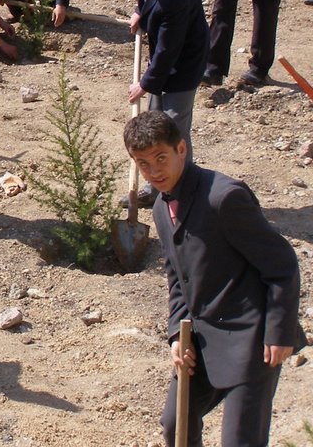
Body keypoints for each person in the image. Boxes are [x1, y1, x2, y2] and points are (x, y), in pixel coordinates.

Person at [122, 111, 306, 447]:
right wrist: (178, 332)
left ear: (182, 149)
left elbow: (282, 265)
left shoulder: (223, 197)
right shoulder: (162, 208)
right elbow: (177, 276)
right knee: (174, 424)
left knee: (240, 441)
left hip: (253, 340)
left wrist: (279, 333)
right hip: (203, 340)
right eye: (143, 163)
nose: (153, 171)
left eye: (160, 158)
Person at [127, 0, 209, 207]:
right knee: (154, 125)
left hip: (184, 65)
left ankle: (185, 195)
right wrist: (141, 11)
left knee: (174, 132)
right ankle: (157, 191)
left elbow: (168, 50)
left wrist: (145, 83)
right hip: (164, 63)